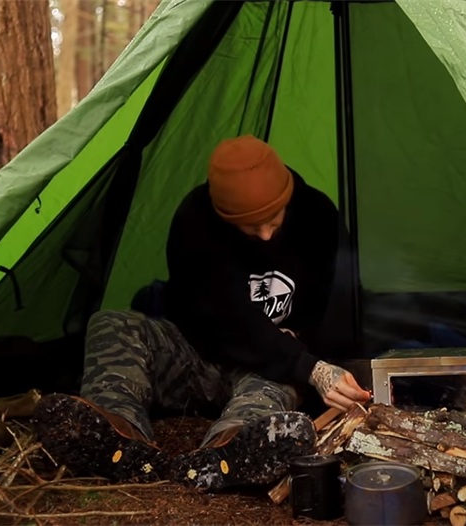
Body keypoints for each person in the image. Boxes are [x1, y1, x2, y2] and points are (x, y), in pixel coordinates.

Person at [33, 135, 371, 491]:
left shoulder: (317, 216)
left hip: (269, 368)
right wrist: (307, 365)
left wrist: (307, 354)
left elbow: (338, 305)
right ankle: (119, 436)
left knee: (275, 381)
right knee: (110, 323)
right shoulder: (195, 220)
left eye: (274, 219)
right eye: (252, 227)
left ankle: (229, 450)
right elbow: (224, 319)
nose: (268, 235)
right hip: (196, 356)